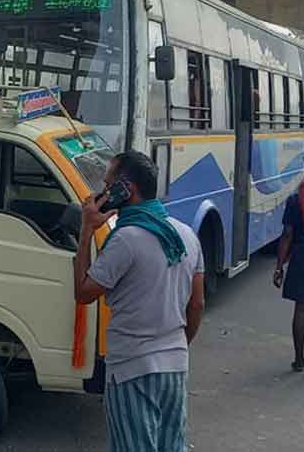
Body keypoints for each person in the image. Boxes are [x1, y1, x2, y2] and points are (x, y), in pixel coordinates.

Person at [72, 150, 205, 452]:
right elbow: (196, 305)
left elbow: (83, 293)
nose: (103, 192)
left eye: (108, 185)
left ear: (125, 189)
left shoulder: (125, 240)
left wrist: (86, 230)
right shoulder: (186, 234)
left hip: (131, 367)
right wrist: (175, 344)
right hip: (175, 364)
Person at [274, 152, 304, 371]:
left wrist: (279, 266)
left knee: (301, 310)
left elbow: (287, 235)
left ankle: (299, 360)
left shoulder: (295, 199)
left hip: (302, 257)